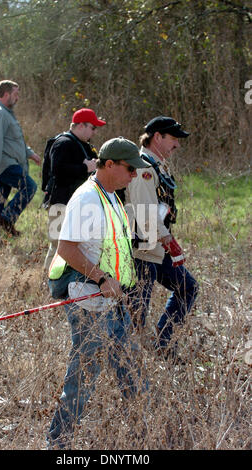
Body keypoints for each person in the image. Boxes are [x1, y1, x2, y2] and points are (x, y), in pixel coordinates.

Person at [47, 137, 151, 448]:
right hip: (88, 299)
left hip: (110, 300)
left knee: (130, 366)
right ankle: (59, 443)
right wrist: (103, 277)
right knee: (83, 378)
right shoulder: (88, 199)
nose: (134, 175)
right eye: (130, 169)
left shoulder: (112, 196)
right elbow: (66, 248)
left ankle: (147, 431)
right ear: (109, 165)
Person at [126, 116, 199, 358]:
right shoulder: (143, 168)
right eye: (173, 139)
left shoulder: (157, 165)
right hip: (142, 251)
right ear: (157, 137)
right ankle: (130, 365)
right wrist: (168, 239)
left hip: (157, 248)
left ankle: (164, 342)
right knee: (136, 315)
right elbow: (145, 213)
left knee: (187, 287)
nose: (177, 145)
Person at [43, 108, 106, 271]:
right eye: (92, 128)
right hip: (60, 204)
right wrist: (83, 168)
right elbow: (56, 171)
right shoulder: (63, 143)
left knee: (75, 248)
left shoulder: (82, 145)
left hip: (74, 205)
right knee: (57, 246)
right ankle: (47, 283)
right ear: (80, 126)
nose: (94, 132)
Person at [0, 80, 41, 240]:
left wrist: (30, 153)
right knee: (29, 186)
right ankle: (7, 219)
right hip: (3, 165)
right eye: (16, 94)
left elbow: (14, 140)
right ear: (6, 94)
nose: (18, 98)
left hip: (3, 164)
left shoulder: (6, 112)